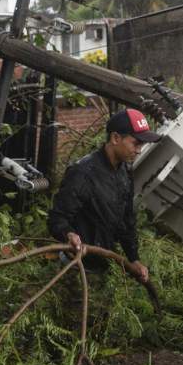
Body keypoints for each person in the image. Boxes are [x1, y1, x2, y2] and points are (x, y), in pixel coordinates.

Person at [48, 108, 162, 283]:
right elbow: (57, 218)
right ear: (116, 138)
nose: (139, 150)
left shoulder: (124, 171)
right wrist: (68, 233)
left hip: (105, 265)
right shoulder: (83, 173)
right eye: (136, 143)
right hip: (76, 269)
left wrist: (134, 259)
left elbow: (126, 220)